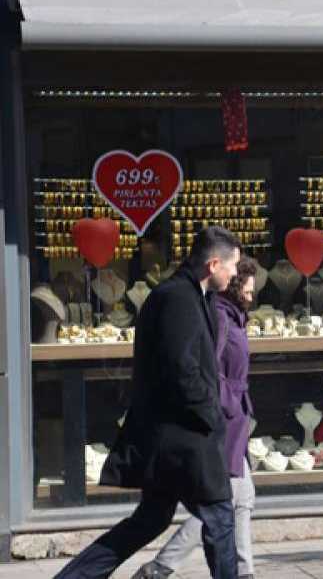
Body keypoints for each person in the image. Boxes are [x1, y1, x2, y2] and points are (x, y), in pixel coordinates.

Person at [55, 226, 242, 579]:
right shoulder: (177, 298)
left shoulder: (197, 296)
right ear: (213, 263)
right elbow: (181, 370)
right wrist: (212, 414)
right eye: (232, 265)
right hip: (183, 438)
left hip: (175, 438)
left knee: (151, 519)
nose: (235, 274)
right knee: (219, 516)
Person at [133, 257, 258, 579]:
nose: (252, 293)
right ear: (234, 285)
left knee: (239, 497)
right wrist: (225, 405)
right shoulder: (219, 317)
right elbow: (207, 369)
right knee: (221, 502)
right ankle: (162, 567)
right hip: (222, 418)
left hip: (235, 416)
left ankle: (242, 571)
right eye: (248, 287)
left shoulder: (235, 316)